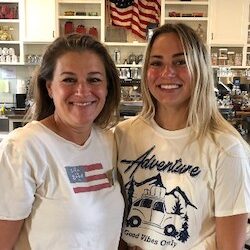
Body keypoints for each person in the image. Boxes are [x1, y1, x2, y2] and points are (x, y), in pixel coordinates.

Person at [115, 23, 250, 250]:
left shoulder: (226, 148)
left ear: (199, 68)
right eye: (156, 63)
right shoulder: (122, 135)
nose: (167, 72)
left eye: (180, 62)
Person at [0, 34, 124, 250]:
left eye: (94, 79)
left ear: (107, 87)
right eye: (69, 79)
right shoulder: (23, 148)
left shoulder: (110, 142)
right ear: (49, 87)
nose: (82, 91)